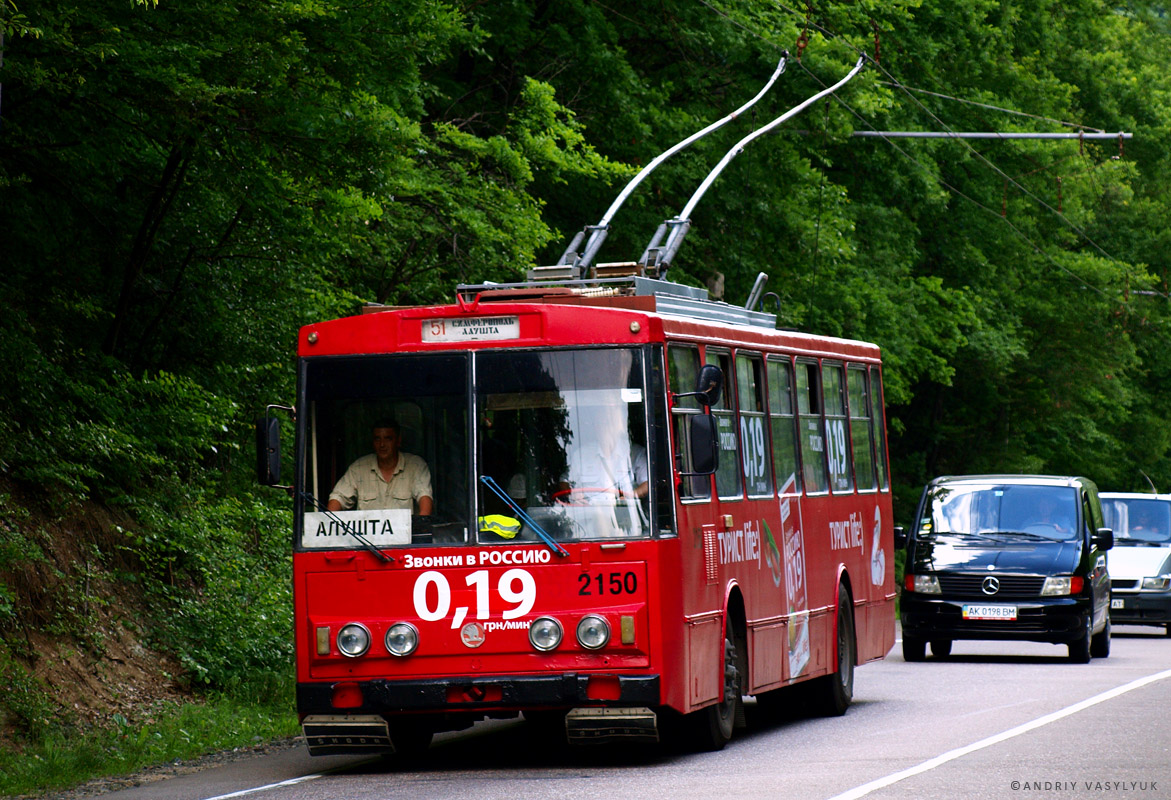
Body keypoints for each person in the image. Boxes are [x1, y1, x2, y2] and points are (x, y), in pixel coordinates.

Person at [327, 420, 433, 515]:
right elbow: (338, 497)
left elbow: (424, 496)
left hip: (404, 535)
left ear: (398, 441)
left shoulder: (415, 465)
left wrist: (421, 527)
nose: (382, 444)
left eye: (388, 439)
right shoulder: (358, 468)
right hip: (366, 536)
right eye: (377, 439)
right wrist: (329, 525)